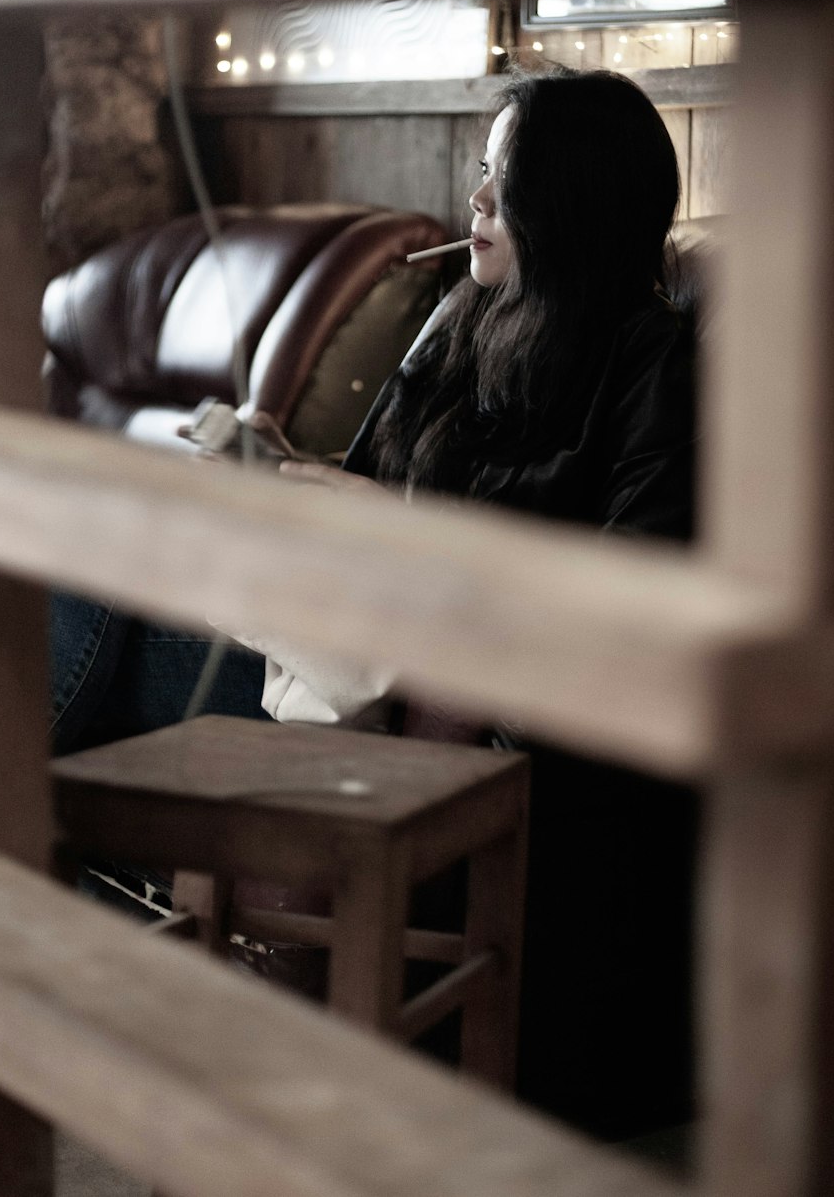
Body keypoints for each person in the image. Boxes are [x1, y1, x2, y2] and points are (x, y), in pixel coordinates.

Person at [51, 66, 698, 1139]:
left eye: (501, 178)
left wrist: (392, 516)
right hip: (333, 630)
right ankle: (2, 869)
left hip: (408, 684)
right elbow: (356, 488)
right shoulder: (457, 318)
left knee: (69, 611)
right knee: (75, 561)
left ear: (570, 197)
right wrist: (274, 468)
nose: (475, 200)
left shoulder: (650, 362)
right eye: (479, 175)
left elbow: (630, 586)